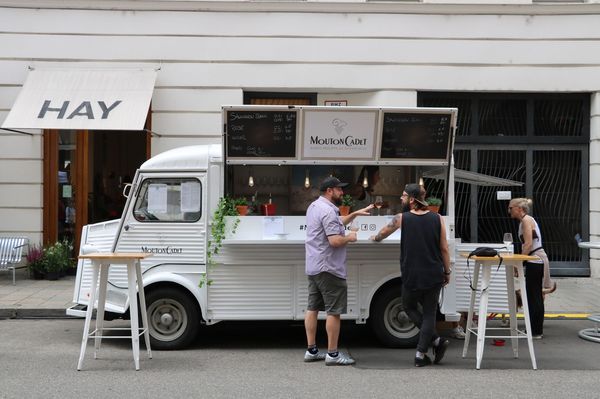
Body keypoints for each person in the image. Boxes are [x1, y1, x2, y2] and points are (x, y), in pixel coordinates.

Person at [370, 183, 451, 367]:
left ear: (412, 200)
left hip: (411, 273)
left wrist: (374, 238)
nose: (401, 198)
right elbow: (444, 248)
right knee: (430, 313)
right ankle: (427, 349)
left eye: (404, 196)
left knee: (408, 306)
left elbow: (382, 233)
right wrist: (447, 272)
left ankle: (426, 351)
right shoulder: (437, 218)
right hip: (433, 272)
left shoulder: (402, 218)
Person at [304, 176, 374, 366]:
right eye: (339, 189)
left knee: (312, 308)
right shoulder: (328, 211)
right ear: (330, 191)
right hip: (329, 268)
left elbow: (335, 222)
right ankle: (333, 355)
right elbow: (334, 240)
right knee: (333, 312)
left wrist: (355, 213)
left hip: (314, 265)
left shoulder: (315, 207)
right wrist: (350, 237)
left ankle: (311, 351)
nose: (342, 192)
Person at [508, 197, 556, 339]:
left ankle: (536, 331)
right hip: (534, 260)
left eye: (511, 207)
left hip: (536, 260)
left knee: (534, 295)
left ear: (519, 209)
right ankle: (535, 329)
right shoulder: (525, 221)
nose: (509, 210)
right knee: (533, 294)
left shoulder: (526, 220)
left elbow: (528, 244)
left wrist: (518, 263)